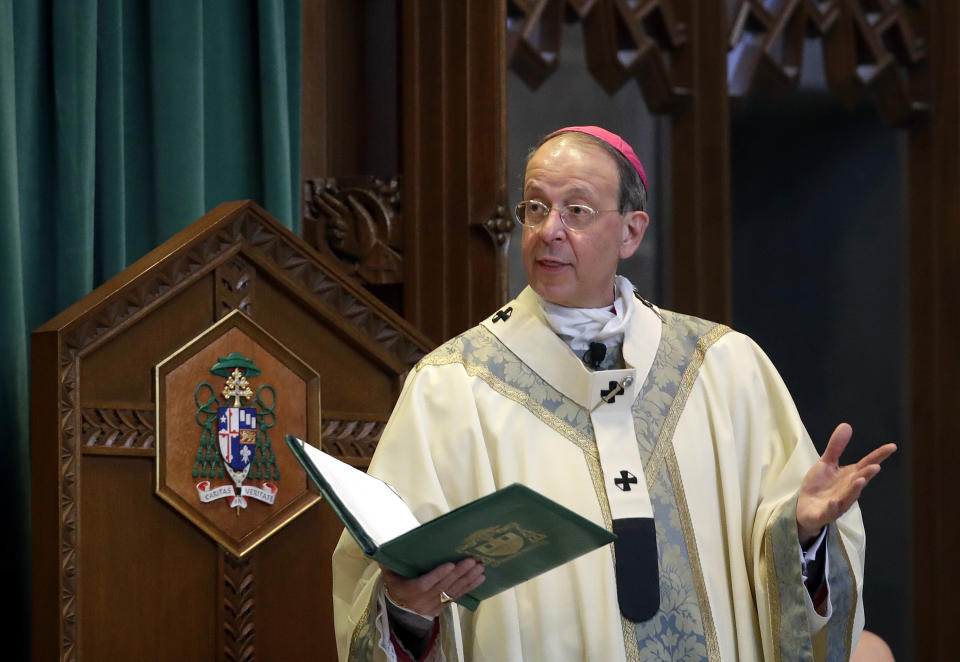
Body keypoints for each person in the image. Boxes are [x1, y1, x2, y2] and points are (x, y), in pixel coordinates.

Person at [332, 126, 897, 661]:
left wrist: (799, 535)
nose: (549, 228)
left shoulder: (724, 368)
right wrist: (406, 607)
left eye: (576, 210)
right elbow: (385, 582)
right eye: (534, 207)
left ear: (631, 231)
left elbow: (793, 588)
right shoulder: (454, 385)